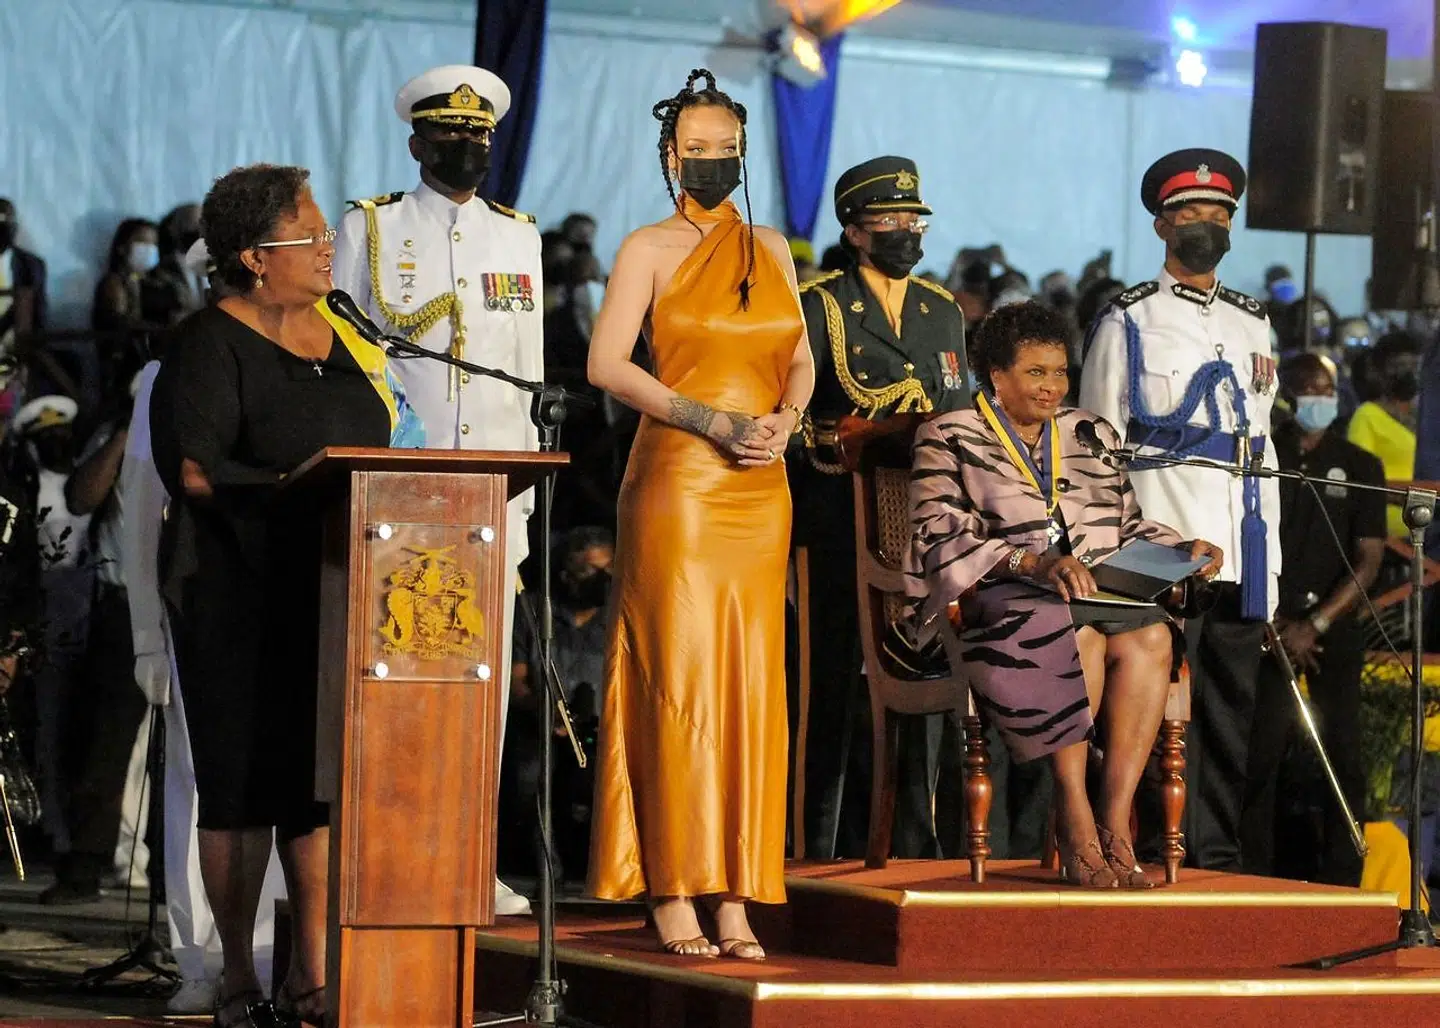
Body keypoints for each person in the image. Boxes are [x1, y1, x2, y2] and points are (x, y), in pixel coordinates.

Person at [148, 163, 423, 1028]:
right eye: (310, 236)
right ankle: (236, 975)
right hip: (235, 589)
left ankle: (310, 972)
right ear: (254, 257)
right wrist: (293, 484)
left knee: (317, 790)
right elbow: (193, 470)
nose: (327, 248)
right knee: (240, 787)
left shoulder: (342, 333)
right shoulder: (206, 344)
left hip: (337, 589)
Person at [585, 68, 814, 959]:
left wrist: (785, 423)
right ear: (670, 156)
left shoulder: (773, 247)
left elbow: (798, 356)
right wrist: (705, 418)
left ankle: (736, 889)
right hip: (679, 477)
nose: (714, 162)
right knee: (678, 675)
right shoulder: (646, 247)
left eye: (729, 150)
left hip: (762, 482)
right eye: (699, 150)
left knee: (750, 680)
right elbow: (609, 365)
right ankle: (673, 884)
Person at [908, 300, 1223, 887]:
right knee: (1075, 632)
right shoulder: (948, 435)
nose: (1053, 387)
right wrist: (1030, 563)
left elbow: (1127, 525)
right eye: (1035, 373)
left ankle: (1115, 822)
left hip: (1093, 594)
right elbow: (937, 532)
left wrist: (1183, 550)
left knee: (1153, 636)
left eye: (1059, 372)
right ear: (995, 375)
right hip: (993, 602)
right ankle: (1073, 813)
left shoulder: (1087, 432)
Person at [331, 64, 542, 917]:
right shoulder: (371, 227)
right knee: (393, 668)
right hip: (401, 486)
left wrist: (524, 493)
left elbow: (528, 370)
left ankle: (469, 855)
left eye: (480, 135)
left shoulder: (518, 237)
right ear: (416, 142)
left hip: (495, 484)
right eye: (450, 134)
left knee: (482, 685)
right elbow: (346, 355)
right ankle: (384, 851)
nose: (467, 147)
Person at [1081, 148, 1281, 872]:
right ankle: (1130, 845)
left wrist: (1271, 564)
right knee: (1150, 709)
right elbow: (1096, 444)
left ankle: (1215, 858)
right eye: (1192, 213)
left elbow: (1261, 442)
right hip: (1161, 541)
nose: (1207, 224)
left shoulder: (1253, 322)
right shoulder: (1129, 318)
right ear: (1162, 224)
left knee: (1230, 712)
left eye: (1220, 213)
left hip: (1241, 536)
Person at [789, 156, 970, 861]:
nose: (906, 232)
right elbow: (796, 421)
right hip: (837, 515)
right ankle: (812, 847)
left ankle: (919, 849)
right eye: (890, 221)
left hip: (924, 527)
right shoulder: (820, 304)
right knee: (828, 686)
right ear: (856, 232)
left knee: (925, 684)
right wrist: (840, 439)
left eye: (913, 220)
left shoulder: (941, 309)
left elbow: (954, 415)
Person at [125, 238, 289, 1015]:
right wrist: (145, 638)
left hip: (285, 598)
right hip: (198, 602)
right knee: (204, 792)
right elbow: (139, 515)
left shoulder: (311, 360)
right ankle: (203, 960)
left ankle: (274, 955)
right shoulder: (168, 372)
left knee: (284, 792)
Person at [1241, 353, 1386, 885]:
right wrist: (1272, 620)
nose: (1319, 399)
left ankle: (1344, 877)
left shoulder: (1360, 463)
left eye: (1327, 389)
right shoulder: (1261, 455)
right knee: (1262, 755)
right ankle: (1254, 872)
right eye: (1307, 390)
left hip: (1331, 632)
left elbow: (1369, 560)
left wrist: (1316, 624)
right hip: (1269, 629)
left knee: (1343, 754)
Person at [1346, 331, 1420, 538]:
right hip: (1389, 529)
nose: (1409, 373)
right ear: (1380, 371)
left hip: (1429, 521)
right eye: (1400, 365)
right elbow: (1359, 479)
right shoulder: (1367, 415)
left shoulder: (1426, 418)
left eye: (1414, 366)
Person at [143, 203, 207, 326]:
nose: (199, 230)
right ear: (172, 228)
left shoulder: (215, 267)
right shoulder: (159, 271)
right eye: (193, 224)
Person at [0, 198, 46, 353]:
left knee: (72, 363)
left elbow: (39, 317)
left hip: (20, 346)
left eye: (7, 225)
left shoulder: (31, 265)